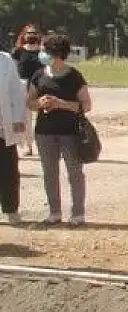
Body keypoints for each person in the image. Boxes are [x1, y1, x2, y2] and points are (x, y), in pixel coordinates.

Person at [26, 34, 92, 226]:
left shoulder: (74, 76)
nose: (42, 54)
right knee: (50, 173)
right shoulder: (38, 75)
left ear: (56, 54)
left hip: (70, 132)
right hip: (44, 132)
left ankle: (78, 213)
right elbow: (29, 102)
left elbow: (86, 105)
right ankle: (54, 212)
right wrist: (38, 103)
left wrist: (60, 103)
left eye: (45, 51)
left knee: (74, 173)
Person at [0, 49, 26, 224]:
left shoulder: (6, 59)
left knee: (8, 169)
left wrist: (18, 117)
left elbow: (16, 92)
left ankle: (11, 209)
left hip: (3, 125)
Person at [12, 25, 42, 157]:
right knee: (26, 117)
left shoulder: (43, 52)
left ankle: (45, 144)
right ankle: (29, 146)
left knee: (43, 115)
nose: (31, 35)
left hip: (40, 84)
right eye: (28, 33)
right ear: (23, 35)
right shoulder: (18, 51)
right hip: (23, 85)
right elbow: (12, 69)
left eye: (33, 33)